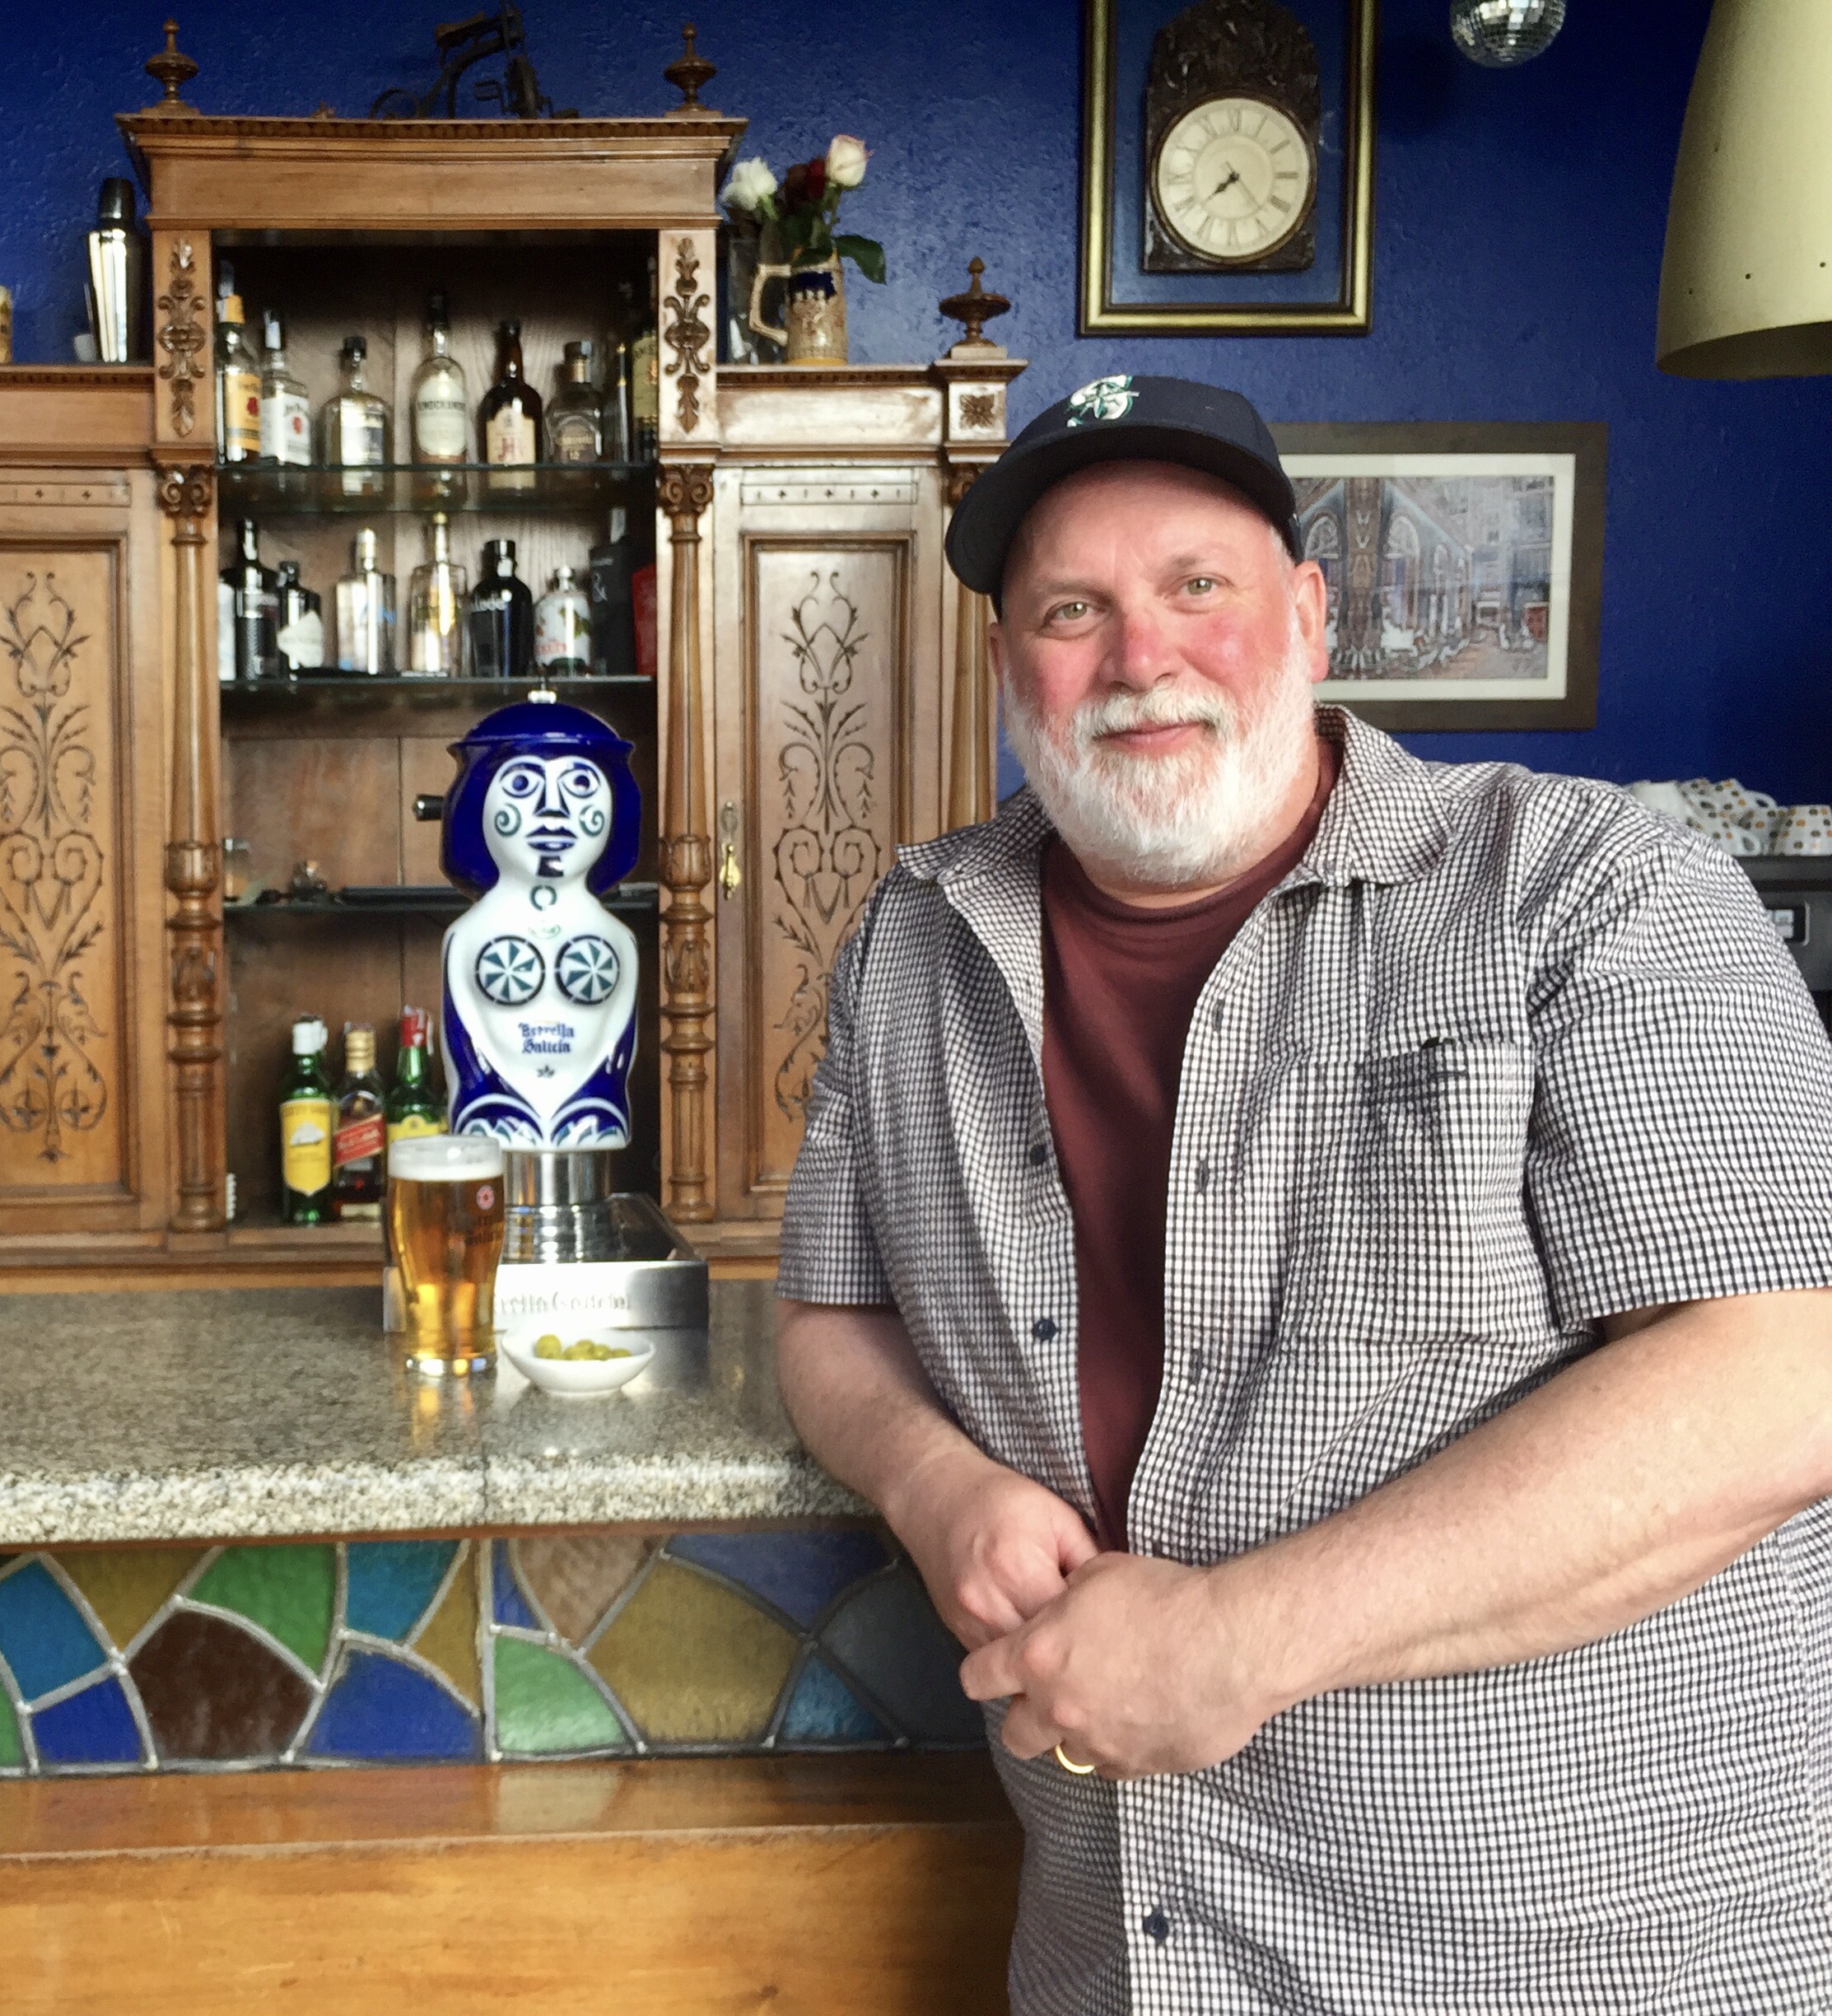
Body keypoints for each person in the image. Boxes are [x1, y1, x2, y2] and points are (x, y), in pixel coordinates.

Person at [774, 373, 1832, 2012]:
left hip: (1574, 1959)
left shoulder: (1595, 887)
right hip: (1121, 1948)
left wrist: (1240, 1641)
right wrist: (933, 1486)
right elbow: (828, 1320)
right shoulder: (911, 942)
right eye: (1072, 609)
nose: (1141, 657)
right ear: (1005, 663)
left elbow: (1784, 1376)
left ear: (1313, 615)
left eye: (1198, 585)